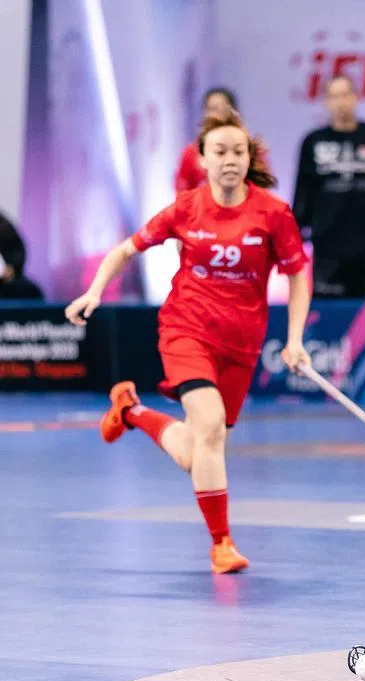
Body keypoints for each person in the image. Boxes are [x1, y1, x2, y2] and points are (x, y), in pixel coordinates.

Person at [64, 112, 312, 574]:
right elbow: (126, 250)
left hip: (242, 342)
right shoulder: (185, 208)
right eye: (220, 152)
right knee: (211, 427)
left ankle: (131, 412)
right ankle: (222, 544)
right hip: (187, 330)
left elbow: (298, 274)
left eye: (238, 152)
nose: (230, 160)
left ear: (249, 158)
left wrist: (295, 339)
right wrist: (95, 291)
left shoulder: (273, 214)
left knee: (198, 451)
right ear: (202, 160)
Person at [293, 75, 365, 299]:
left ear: (355, 97)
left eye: (345, 95)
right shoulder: (313, 141)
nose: (340, 102)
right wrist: (294, 232)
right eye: (334, 96)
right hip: (329, 247)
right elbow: (303, 191)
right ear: (325, 101)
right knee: (331, 315)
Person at [175, 87, 238, 192]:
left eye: (220, 109)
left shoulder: (248, 149)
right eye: (211, 109)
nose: (215, 115)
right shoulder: (191, 152)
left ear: (234, 112)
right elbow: (182, 192)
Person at [0, 213, 44, 301]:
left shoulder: (3, 226)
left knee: (29, 291)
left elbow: (17, 248)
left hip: (9, 280)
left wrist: (12, 267)